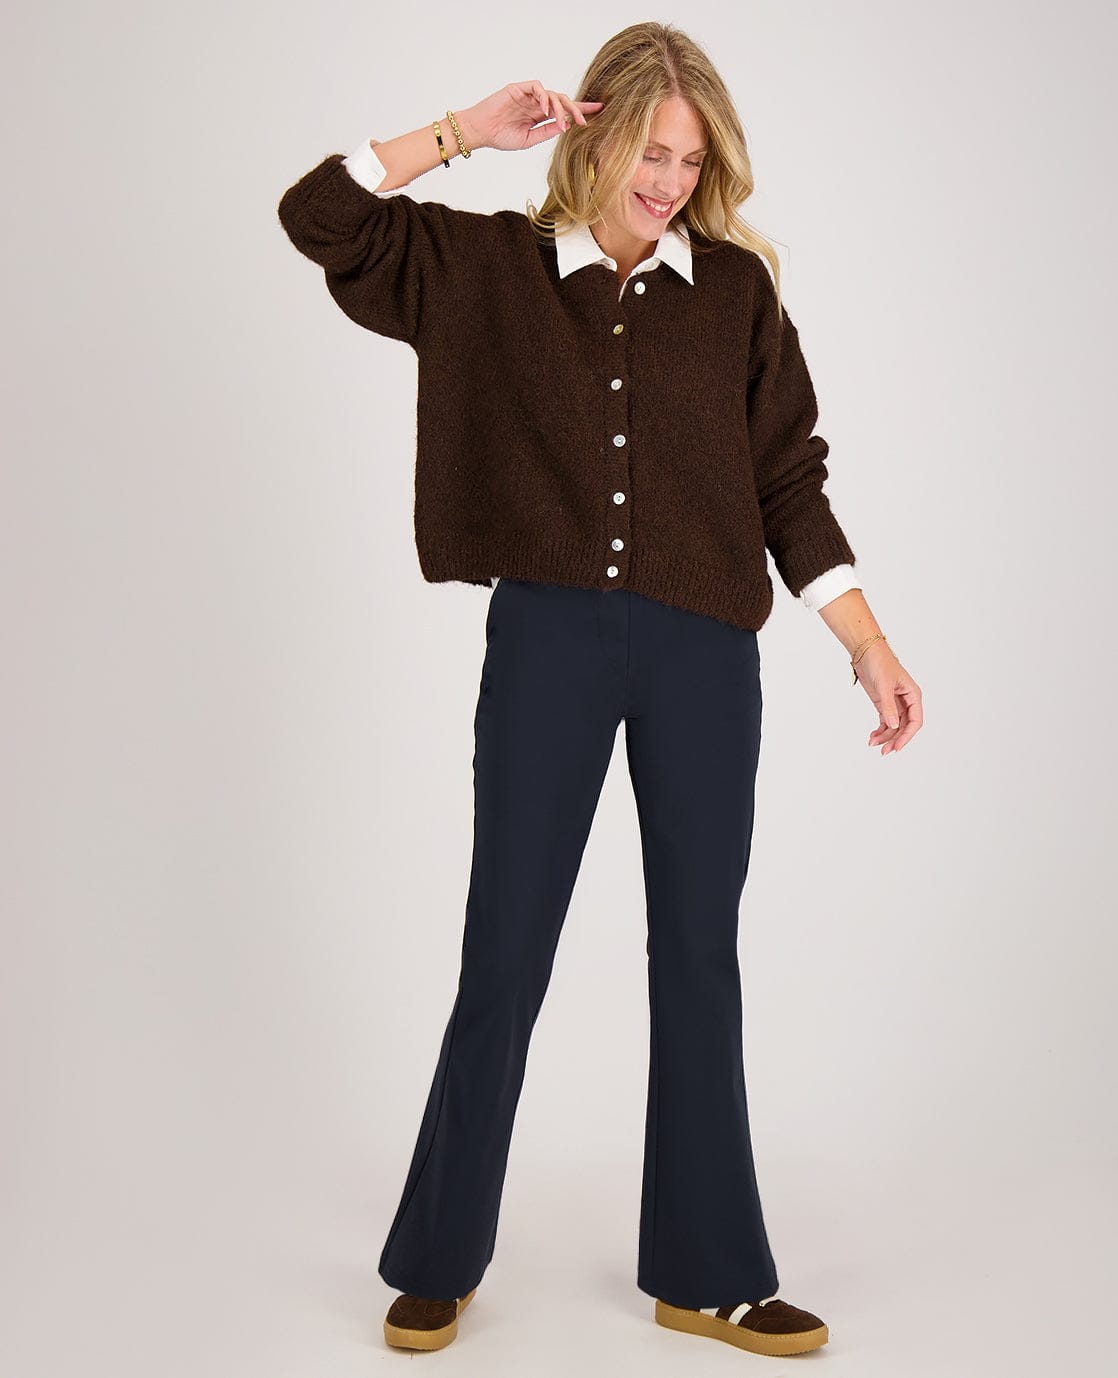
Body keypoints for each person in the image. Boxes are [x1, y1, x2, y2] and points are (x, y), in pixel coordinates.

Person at [277, 20, 923, 1359]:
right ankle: (439, 1255)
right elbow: (318, 215)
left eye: (692, 159)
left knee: (697, 955)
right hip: (548, 643)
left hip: (703, 656)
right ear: (596, 135)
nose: (671, 180)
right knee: (505, 946)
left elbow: (788, 477)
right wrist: (463, 132)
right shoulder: (485, 271)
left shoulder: (735, 295)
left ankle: (709, 1271)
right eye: (652, 151)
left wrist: (863, 639)